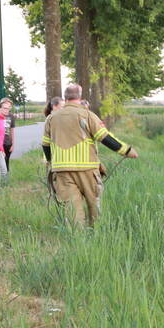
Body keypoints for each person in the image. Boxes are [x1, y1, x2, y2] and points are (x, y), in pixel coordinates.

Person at [41, 84, 138, 226]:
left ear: (65, 97)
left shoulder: (51, 118)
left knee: (72, 212)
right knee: (94, 208)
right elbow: (104, 137)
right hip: (87, 168)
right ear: (79, 96)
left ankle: (78, 242)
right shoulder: (87, 115)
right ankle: (96, 235)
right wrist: (127, 150)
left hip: (62, 170)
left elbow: (46, 145)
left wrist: (50, 162)